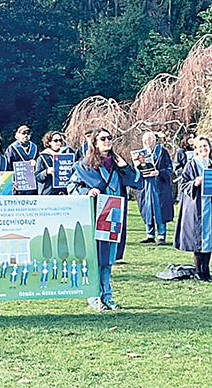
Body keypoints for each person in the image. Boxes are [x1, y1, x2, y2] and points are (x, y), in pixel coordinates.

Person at [69, 127, 138, 312]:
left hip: (113, 214)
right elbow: (72, 186)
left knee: (108, 259)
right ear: (95, 143)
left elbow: (137, 182)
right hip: (94, 215)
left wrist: (125, 167)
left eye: (110, 138)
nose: (107, 141)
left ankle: (108, 296)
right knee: (96, 258)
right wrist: (87, 191)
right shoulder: (84, 165)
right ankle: (93, 296)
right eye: (103, 138)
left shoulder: (117, 164)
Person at [174, 136, 212, 281]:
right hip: (198, 207)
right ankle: (198, 271)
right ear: (196, 149)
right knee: (199, 240)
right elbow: (183, 184)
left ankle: (206, 270)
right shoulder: (192, 165)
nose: (203, 149)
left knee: (209, 239)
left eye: (205, 146)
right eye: (200, 147)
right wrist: (196, 182)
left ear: (210, 148)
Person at [137, 131, 174, 245]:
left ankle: (161, 236)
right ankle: (149, 235)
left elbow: (169, 168)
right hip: (146, 186)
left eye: (149, 140)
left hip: (159, 185)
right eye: (144, 141)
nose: (147, 143)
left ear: (154, 141)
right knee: (147, 210)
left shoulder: (162, 152)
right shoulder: (140, 154)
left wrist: (159, 172)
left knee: (160, 210)